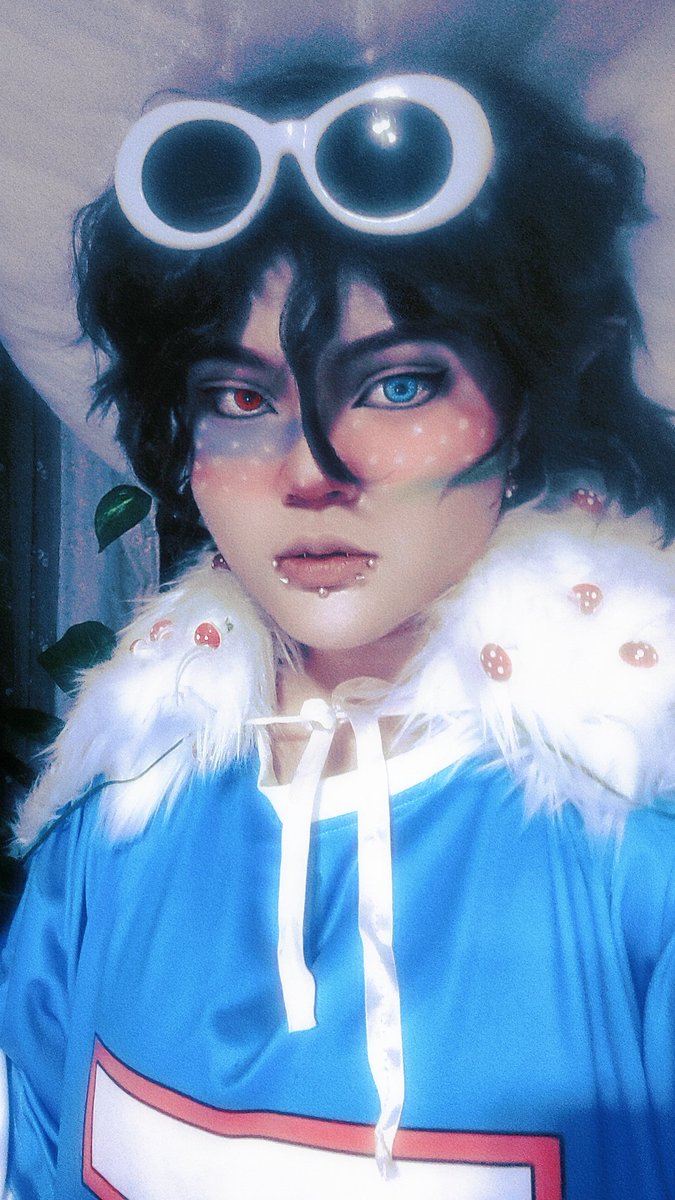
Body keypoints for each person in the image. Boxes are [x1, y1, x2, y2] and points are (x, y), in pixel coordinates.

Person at [2, 52, 675, 1199]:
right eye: (238, 397)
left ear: (525, 405)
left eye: (397, 385)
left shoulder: (637, 846)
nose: (310, 470)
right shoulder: (113, 817)